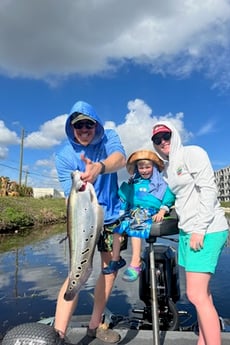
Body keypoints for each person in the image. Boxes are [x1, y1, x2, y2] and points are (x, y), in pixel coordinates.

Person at [54, 100, 127, 344]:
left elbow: (121, 159)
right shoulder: (64, 155)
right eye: (78, 126)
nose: (84, 130)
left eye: (89, 124)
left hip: (112, 217)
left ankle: (95, 326)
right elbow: (69, 195)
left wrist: (100, 167)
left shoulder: (110, 138)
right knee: (76, 270)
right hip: (83, 219)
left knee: (109, 271)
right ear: (71, 128)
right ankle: (58, 334)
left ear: (96, 125)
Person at [151, 123, 229, 345]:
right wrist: (164, 209)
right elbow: (173, 197)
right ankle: (203, 341)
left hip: (207, 229)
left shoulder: (192, 153)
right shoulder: (167, 168)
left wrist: (199, 229)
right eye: (157, 140)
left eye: (166, 136)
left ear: (174, 135)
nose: (163, 142)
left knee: (195, 295)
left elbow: (208, 190)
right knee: (202, 294)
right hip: (187, 232)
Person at [102, 150, 176, 282]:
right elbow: (124, 199)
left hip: (150, 211)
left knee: (137, 222)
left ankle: (136, 262)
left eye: (147, 167)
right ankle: (116, 259)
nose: (144, 170)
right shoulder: (134, 183)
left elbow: (169, 198)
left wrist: (162, 211)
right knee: (117, 226)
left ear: (153, 167)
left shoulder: (161, 184)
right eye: (141, 167)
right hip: (135, 211)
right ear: (137, 169)